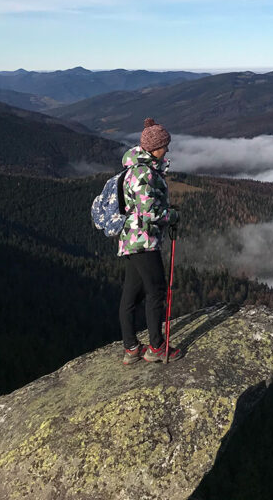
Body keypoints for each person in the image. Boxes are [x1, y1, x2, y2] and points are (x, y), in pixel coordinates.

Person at [118, 117, 182, 364]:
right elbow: (149, 213)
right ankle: (156, 347)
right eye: (165, 145)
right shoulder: (145, 174)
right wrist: (172, 215)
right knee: (156, 290)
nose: (167, 149)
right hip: (143, 240)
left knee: (132, 294)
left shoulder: (135, 169)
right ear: (155, 147)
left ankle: (131, 347)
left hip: (130, 240)